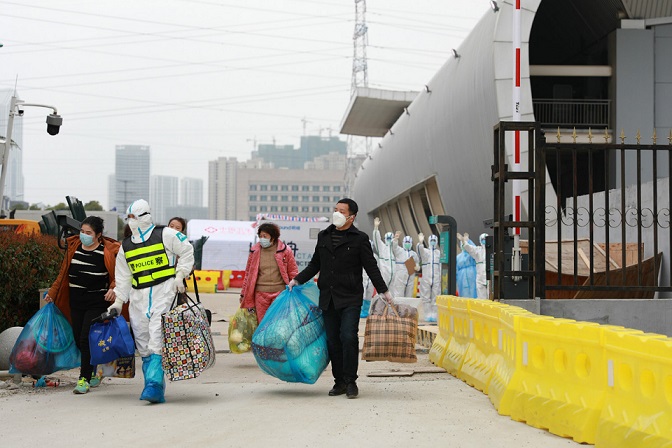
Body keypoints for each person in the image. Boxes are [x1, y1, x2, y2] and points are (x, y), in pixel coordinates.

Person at [289, 198, 393, 399]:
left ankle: (351, 381)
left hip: (350, 297)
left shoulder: (359, 239)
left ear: (351, 217)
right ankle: (339, 382)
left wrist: (384, 291)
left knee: (348, 337)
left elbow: (371, 267)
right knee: (333, 341)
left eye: (342, 211)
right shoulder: (324, 236)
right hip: (328, 298)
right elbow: (314, 265)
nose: (337, 213)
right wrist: (297, 280)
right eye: (335, 209)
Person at [107, 199, 194, 404]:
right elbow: (123, 277)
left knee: (157, 335)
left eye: (134, 217)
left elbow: (187, 251)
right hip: (138, 297)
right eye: (128, 218)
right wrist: (119, 302)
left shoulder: (166, 234)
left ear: (145, 217)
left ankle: (153, 385)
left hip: (164, 290)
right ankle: (155, 384)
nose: (131, 222)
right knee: (143, 341)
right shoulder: (126, 246)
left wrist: (180, 274)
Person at [44, 216, 124, 395]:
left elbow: (119, 275)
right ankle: (94, 368)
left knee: (85, 338)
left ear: (98, 235)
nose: (84, 236)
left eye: (89, 233)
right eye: (82, 232)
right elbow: (63, 273)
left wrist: (113, 288)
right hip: (76, 300)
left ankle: (84, 378)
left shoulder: (108, 251)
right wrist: (53, 292)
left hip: (97, 301)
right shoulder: (74, 248)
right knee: (79, 338)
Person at [239, 222, 299, 323]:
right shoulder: (254, 251)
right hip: (260, 294)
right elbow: (248, 274)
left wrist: (297, 290)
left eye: (265, 236)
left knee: (278, 323)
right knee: (262, 323)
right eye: (260, 236)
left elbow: (293, 271)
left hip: (280, 293)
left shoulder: (285, 250)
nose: (262, 238)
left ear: (273, 237)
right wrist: (243, 294)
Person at [416, 233, 441, 321]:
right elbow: (420, 251)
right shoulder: (426, 252)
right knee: (425, 297)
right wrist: (420, 243)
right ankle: (426, 315)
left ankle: (434, 315)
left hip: (436, 278)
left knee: (436, 297)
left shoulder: (438, 253)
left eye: (434, 240)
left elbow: (441, 266)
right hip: (426, 277)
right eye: (431, 240)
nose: (433, 242)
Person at [458, 232, 488, 299]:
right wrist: (464, 242)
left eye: (486, 239)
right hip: (480, 276)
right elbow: (470, 248)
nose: (484, 241)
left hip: (489, 277)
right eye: (483, 239)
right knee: (481, 297)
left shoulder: (492, 251)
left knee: (490, 297)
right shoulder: (478, 250)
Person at [372, 217, 396, 287]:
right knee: (382, 291)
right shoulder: (382, 247)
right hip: (384, 273)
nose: (389, 240)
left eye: (390, 238)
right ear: (385, 239)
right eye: (387, 238)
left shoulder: (396, 250)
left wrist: (412, 269)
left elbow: (409, 261)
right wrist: (376, 228)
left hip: (395, 276)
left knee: (393, 293)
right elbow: (377, 239)